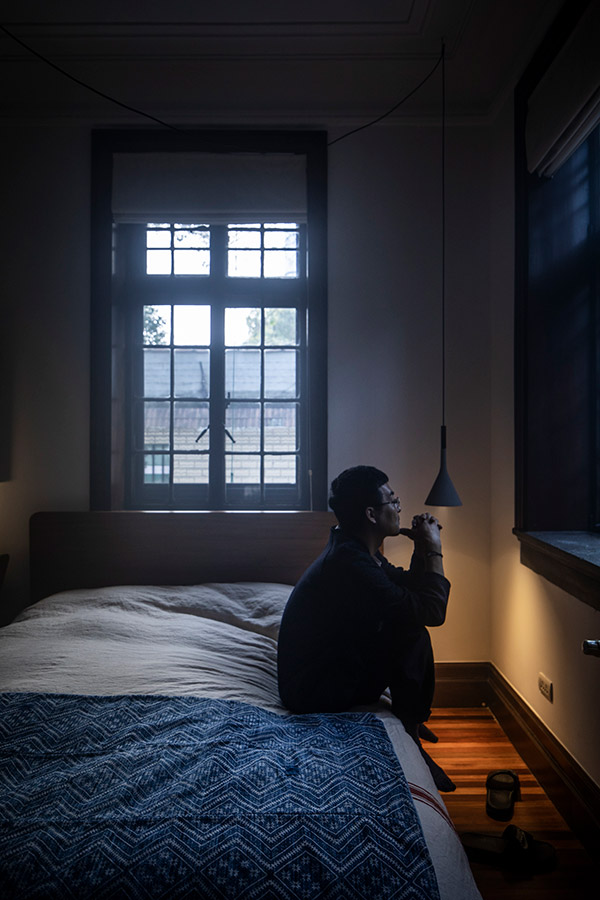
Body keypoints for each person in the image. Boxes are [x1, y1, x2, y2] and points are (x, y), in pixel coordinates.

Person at [277, 465, 455, 792]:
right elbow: (432, 610)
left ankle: (412, 721)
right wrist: (434, 548)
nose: (400, 507)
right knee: (412, 631)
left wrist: (420, 548)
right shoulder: (349, 563)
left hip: (325, 667)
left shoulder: (355, 549)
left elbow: (407, 589)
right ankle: (412, 731)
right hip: (311, 690)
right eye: (394, 502)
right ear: (372, 514)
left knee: (407, 624)